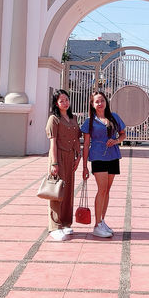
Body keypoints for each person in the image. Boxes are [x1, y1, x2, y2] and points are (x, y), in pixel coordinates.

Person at [81, 90, 126, 238]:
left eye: (102, 100)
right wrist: (84, 166)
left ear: (106, 102)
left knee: (107, 190)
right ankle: (96, 225)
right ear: (92, 105)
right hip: (98, 157)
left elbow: (123, 133)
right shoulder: (89, 122)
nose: (100, 104)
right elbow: (86, 144)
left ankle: (102, 221)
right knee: (101, 190)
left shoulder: (114, 117)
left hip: (113, 155)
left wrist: (117, 141)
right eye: (96, 101)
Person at [45, 89, 81, 241]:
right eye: (61, 101)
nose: (65, 103)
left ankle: (66, 222)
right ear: (56, 103)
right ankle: (54, 226)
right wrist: (54, 163)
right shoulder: (54, 119)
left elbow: (76, 139)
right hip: (58, 156)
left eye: (66, 100)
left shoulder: (73, 118)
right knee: (56, 191)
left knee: (68, 190)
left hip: (70, 157)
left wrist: (78, 156)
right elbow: (53, 142)